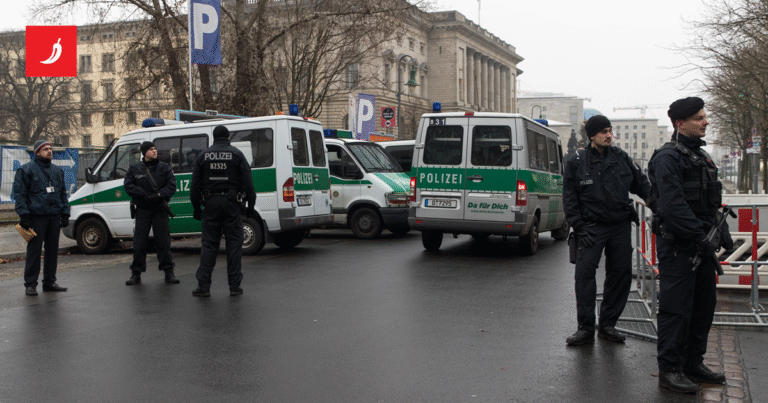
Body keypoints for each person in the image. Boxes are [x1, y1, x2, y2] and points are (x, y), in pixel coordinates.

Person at [648, 97, 730, 394]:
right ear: (680, 123)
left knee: (703, 306)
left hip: (702, 244)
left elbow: (712, 201)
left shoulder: (703, 157)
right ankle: (669, 369)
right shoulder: (668, 158)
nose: (706, 121)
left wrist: (724, 232)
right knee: (676, 310)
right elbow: (673, 207)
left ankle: (693, 361)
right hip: (680, 248)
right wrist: (699, 238)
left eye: (705, 116)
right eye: (699, 118)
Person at [563, 115, 651, 346]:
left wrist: (663, 206)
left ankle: (608, 324)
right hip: (590, 227)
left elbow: (643, 186)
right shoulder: (576, 161)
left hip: (619, 226)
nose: (609, 135)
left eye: (610, 130)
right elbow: (569, 198)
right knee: (584, 276)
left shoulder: (621, 158)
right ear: (592, 135)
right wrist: (578, 226)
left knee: (620, 275)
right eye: (603, 131)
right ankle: (584, 328)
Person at [190, 125, 256, 297]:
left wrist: (197, 208)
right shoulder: (236, 154)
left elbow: (195, 186)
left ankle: (203, 286)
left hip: (210, 204)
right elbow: (248, 184)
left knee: (209, 245)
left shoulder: (203, 156)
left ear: (214, 137)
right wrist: (251, 206)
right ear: (228, 137)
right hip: (231, 203)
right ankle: (234, 287)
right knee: (234, 244)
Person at [13, 139, 70, 296]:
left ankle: (49, 282)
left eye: (50, 148)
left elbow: (62, 194)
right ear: (37, 152)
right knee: (34, 251)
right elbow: (20, 194)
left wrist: (65, 212)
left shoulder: (57, 171)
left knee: (52, 251)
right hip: (36, 217)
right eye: (45, 149)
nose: (49, 151)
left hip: (54, 217)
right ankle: (30, 284)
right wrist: (24, 215)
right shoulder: (26, 170)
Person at [123, 141, 179, 286]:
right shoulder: (135, 168)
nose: (154, 151)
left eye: (155, 149)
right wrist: (144, 195)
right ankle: (136, 273)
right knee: (140, 243)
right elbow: (128, 186)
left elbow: (172, 185)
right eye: (150, 149)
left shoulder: (164, 167)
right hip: (143, 209)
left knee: (163, 242)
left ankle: (169, 272)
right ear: (144, 152)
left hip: (159, 208)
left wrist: (160, 195)